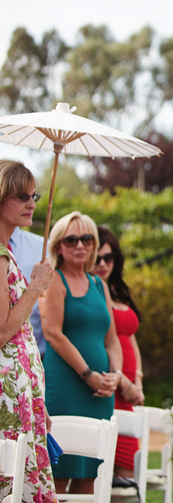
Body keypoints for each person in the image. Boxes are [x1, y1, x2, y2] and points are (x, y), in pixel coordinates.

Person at [39, 211, 122, 496]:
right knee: (59, 474)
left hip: (100, 393)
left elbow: (111, 340)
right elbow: (53, 333)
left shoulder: (100, 285)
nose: (80, 245)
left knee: (91, 473)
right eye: (71, 239)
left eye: (87, 238)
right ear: (58, 245)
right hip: (67, 388)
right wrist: (88, 375)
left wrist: (116, 376)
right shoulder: (54, 280)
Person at [0, 159, 57, 503]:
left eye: (34, 195)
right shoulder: (0, 259)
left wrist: (36, 400)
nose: (32, 203)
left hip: (22, 391)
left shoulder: (6, 254)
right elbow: (3, 332)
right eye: (22, 196)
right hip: (8, 391)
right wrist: (34, 288)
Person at [90, 226, 144, 479]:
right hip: (109, 388)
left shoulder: (118, 291)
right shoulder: (89, 293)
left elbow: (131, 339)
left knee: (126, 480)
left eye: (108, 258)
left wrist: (138, 382)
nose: (103, 263)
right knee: (101, 476)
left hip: (130, 392)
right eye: (97, 257)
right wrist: (123, 382)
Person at [9, 226, 47, 357]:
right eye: (22, 202)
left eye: (35, 203)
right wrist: (36, 286)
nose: (31, 205)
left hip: (35, 357)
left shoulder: (43, 246)